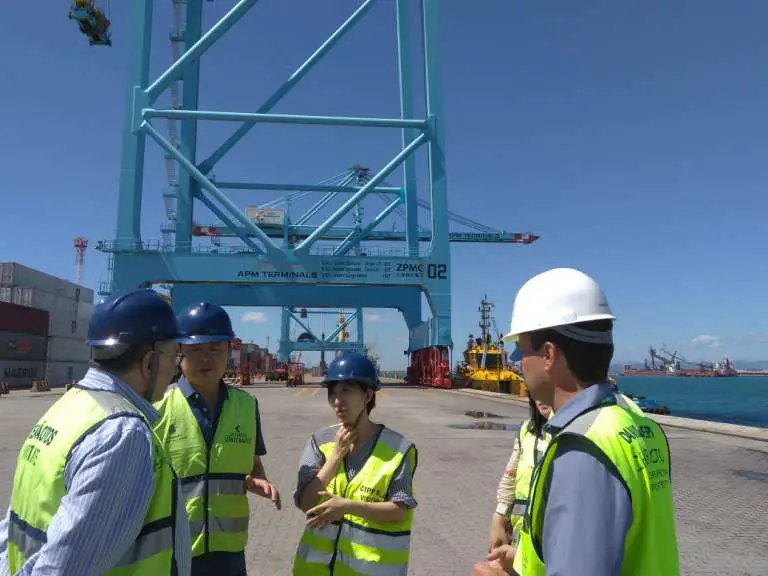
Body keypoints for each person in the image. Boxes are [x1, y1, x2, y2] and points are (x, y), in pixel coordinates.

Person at [0, 289, 191, 575]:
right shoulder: (123, 435)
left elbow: (13, 528)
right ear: (150, 362)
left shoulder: (67, 408)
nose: (176, 372)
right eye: (174, 358)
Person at [504, 267, 680, 575]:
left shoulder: (581, 450)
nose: (517, 364)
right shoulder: (640, 426)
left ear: (548, 355)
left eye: (520, 352)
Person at [154, 302, 280, 576]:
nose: (206, 358)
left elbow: (253, 464)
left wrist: (259, 480)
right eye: (196, 349)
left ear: (229, 350)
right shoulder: (158, 408)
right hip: (173, 554)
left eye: (214, 349)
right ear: (179, 352)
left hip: (229, 555)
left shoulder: (246, 406)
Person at [292, 352, 418, 575]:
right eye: (333, 392)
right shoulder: (319, 442)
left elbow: (399, 511)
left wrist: (347, 507)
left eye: (346, 391)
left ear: (367, 395)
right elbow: (305, 503)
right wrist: (335, 457)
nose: (337, 400)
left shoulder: (397, 449)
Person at [473, 397, 552, 576]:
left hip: (547, 545)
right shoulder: (527, 430)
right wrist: (498, 518)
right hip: (521, 537)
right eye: (535, 392)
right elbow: (510, 477)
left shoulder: (568, 435)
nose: (541, 398)